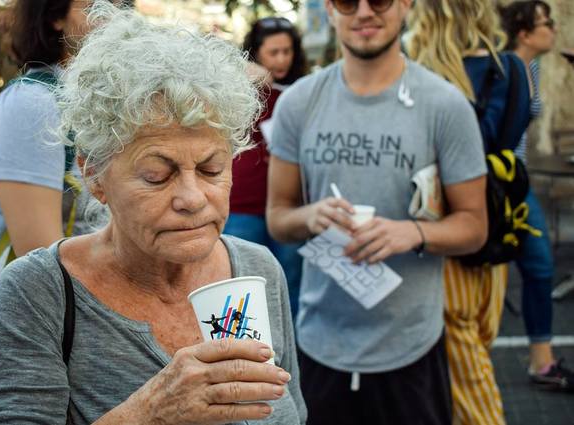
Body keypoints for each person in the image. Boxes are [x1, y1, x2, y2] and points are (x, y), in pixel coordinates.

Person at [0, 3, 306, 424]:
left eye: (211, 169)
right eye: (157, 176)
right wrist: (150, 413)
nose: (192, 198)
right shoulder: (36, 294)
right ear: (95, 176)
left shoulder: (258, 268)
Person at [266, 0, 488, 423]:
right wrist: (309, 217)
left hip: (411, 350)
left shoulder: (444, 105)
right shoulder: (299, 102)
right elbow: (278, 217)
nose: (364, 12)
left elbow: (475, 227)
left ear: (405, 4)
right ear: (330, 9)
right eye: (349, 1)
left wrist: (414, 233)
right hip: (318, 345)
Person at [408, 0, 535, 423]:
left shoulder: (419, 73)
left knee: (464, 356)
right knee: (477, 341)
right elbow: (510, 135)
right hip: (499, 221)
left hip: (444, 225)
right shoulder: (514, 68)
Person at [0, 0, 104, 290]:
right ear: (55, 18)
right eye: (93, 6)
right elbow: (39, 256)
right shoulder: (33, 104)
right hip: (40, 314)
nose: (108, 16)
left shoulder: (87, 98)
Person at [499, 0, 574, 393]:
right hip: (503, 186)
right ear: (525, 33)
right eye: (547, 24)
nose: (554, 30)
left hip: (518, 184)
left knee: (538, 267)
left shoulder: (532, 67)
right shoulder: (503, 68)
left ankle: (541, 360)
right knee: (504, 273)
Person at [224, 16, 307, 318]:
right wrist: (241, 69)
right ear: (256, 52)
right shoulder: (242, 83)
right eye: (274, 52)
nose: (282, 59)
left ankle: (294, 357)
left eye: (287, 51)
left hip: (291, 204)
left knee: (291, 285)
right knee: (242, 286)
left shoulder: (302, 91)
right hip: (246, 202)